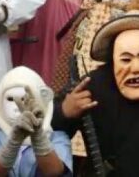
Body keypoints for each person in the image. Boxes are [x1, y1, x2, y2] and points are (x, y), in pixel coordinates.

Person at [52, 12, 139, 175]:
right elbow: (47, 124)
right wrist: (64, 111)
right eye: (126, 59)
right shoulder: (93, 86)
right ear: (113, 60)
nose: (135, 68)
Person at [0, 66, 72, 176]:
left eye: (25, 99)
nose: (17, 107)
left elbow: (55, 173)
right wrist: (13, 141)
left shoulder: (57, 138)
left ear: (42, 99)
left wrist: (38, 136)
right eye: (10, 99)